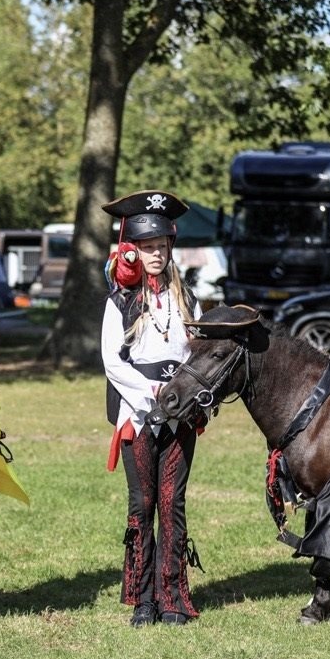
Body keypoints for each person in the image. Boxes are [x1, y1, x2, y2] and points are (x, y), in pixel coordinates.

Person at [101, 189, 204, 627]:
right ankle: (142, 599)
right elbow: (112, 362)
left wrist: (181, 394)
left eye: (162, 246)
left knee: (171, 502)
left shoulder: (188, 300)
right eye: (147, 247)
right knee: (142, 503)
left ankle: (172, 596)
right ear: (133, 251)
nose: (156, 254)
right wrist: (149, 393)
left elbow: (199, 355)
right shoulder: (120, 302)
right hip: (137, 415)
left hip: (180, 414)